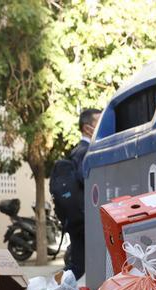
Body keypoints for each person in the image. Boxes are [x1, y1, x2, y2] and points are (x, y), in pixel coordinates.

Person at [62, 107, 101, 280]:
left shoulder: (76, 150)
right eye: (98, 122)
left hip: (77, 218)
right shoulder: (86, 151)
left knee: (78, 264)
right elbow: (85, 180)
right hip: (84, 219)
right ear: (87, 128)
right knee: (78, 266)